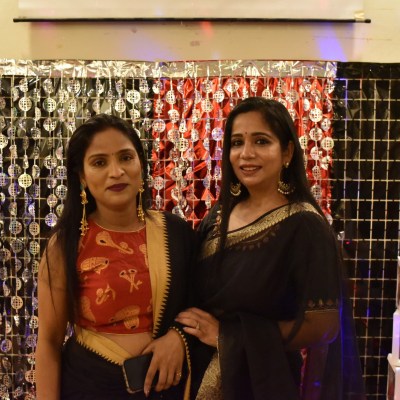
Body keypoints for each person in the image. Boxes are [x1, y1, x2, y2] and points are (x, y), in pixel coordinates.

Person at [176, 97, 366, 399]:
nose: (246, 154)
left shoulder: (304, 225)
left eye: (261, 141)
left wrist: (229, 337)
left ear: (287, 152)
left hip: (261, 381)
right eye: (237, 143)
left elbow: (324, 325)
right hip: (195, 372)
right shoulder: (219, 215)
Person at [36, 114, 195, 400]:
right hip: (89, 387)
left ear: (140, 165)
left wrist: (178, 338)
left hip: (166, 389)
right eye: (99, 162)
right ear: (82, 177)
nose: (116, 171)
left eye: (126, 158)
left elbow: (203, 306)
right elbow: (48, 342)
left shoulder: (177, 233)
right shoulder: (67, 244)